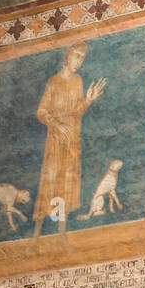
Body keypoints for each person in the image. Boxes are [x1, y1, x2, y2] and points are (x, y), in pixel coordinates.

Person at [32, 42, 106, 237]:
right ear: (68, 56)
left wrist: (88, 99)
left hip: (72, 140)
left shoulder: (78, 81)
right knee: (50, 182)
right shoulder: (54, 82)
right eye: (77, 56)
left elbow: (77, 113)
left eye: (82, 58)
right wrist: (57, 125)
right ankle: (36, 235)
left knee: (66, 185)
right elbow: (41, 111)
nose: (79, 62)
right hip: (56, 140)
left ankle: (61, 233)